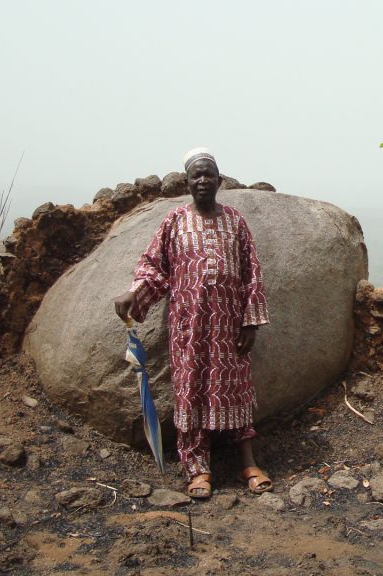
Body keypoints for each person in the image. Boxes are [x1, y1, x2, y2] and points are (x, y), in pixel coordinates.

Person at [113, 147, 272, 499]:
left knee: (237, 392)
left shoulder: (236, 222)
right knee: (191, 393)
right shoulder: (174, 221)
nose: (203, 180)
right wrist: (133, 294)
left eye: (209, 174)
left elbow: (252, 274)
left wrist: (251, 323)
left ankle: (248, 462)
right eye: (196, 175)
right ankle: (198, 469)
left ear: (219, 179)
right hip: (189, 329)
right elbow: (154, 268)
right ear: (187, 182)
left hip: (230, 329)